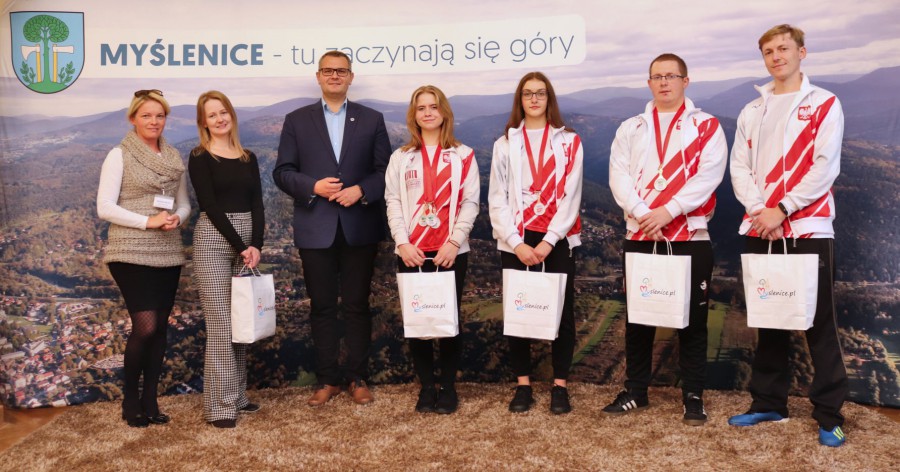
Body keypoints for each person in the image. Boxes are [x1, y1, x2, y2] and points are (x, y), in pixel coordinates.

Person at [728, 24, 848, 447]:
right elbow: (739, 167)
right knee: (769, 318)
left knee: (819, 323)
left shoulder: (824, 103)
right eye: (768, 51)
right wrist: (760, 212)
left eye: (783, 48)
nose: (776, 56)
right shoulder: (752, 110)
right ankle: (768, 403)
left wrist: (783, 209)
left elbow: (825, 165)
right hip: (760, 226)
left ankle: (830, 415)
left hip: (808, 226)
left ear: (802, 52)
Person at [605, 54, 727, 425]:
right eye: (657, 77)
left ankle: (693, 396)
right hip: (641, 233)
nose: (663, 82)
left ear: (685, 81)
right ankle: (635, 391)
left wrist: (668, 211)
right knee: (638, 318)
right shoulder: (631, 127)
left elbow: (709, 176)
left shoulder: (706, 126)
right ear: (649, 83)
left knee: (693, 320)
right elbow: (618, 176)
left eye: (671, 76)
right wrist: (645, 214)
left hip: (690, 234)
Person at [273, 51, 391, 406]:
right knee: (322, 307)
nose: (335, 76)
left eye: (341, 71)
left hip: (360, 226)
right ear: (318, 76)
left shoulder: (371, 119)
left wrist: (361, 191)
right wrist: (313, 186)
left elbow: (385, 171)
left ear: (351, 77)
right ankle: (327, 379)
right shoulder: (297, 120)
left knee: (356, 306)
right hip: (316, 227)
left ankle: (357, 377)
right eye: (328, 70)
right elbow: (283, 172)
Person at [488, 72, 583, 414]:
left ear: (549, 98)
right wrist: (516, 242)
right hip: (516, 239)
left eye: (540, 93)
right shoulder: (505, 144)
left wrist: (549, 241)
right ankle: (523, 385)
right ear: (520, 100)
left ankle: (560, 386)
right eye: (527, 93)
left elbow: (572, 195)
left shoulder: (569, 141)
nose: (534, 99)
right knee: (518, 313)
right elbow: (496, 199)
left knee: (562, 314)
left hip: (557, 237)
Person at [96, 89, 190, 427]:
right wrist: (148, 222)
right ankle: (130, 399)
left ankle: (151, 399)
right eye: (146, 115)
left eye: (159, 115)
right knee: (145, 326)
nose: (154, 121)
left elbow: (184, 202)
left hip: (167, 249)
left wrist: (178, 217)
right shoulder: (119, 155)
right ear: (133, 118)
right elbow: (105, 207)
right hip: (129, 249)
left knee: (160, 328)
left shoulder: (173, 157)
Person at [385, 85, 480, 414]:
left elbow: (470, 203)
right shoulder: (401, 157)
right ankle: (426, 387)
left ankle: (448, 388)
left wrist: (454, 242)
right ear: (413, 115)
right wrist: (402, 242)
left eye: (433, 106)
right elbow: (393, 202)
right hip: (411, 252)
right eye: (421, 107)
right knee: (418, 321)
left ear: (444, 113)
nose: (427, 113)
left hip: (450, 252)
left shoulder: (463, 155)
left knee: (449, 321)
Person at [189, 91, 265, 428]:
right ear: (203, 122)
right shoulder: (199, 157)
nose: (220, 119)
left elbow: (258, 204)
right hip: (214, 240)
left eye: (224, 112)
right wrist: (240, 245)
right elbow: (209, 205)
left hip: (246, 242)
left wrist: (256, 244)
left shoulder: (248, 157)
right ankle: (219, 407)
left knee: (241, 322)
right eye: (212, 115)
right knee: (221, 326)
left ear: (231, 115)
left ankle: (237, 395)